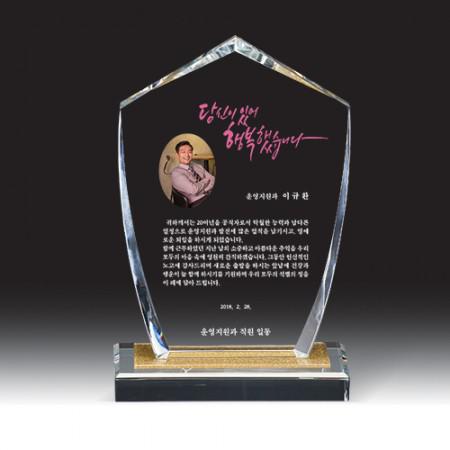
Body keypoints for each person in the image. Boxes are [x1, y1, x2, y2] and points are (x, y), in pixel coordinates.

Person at [171, 140, 215, 207]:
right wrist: (206, 180)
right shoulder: (176, 173)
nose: (187, 155)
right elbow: (194, 190)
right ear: (177, 154)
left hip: (208, 193)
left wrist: (204, 190)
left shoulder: (196, 165)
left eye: (190, 152)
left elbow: (212, 178)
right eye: (183, 152)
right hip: (197, 201)